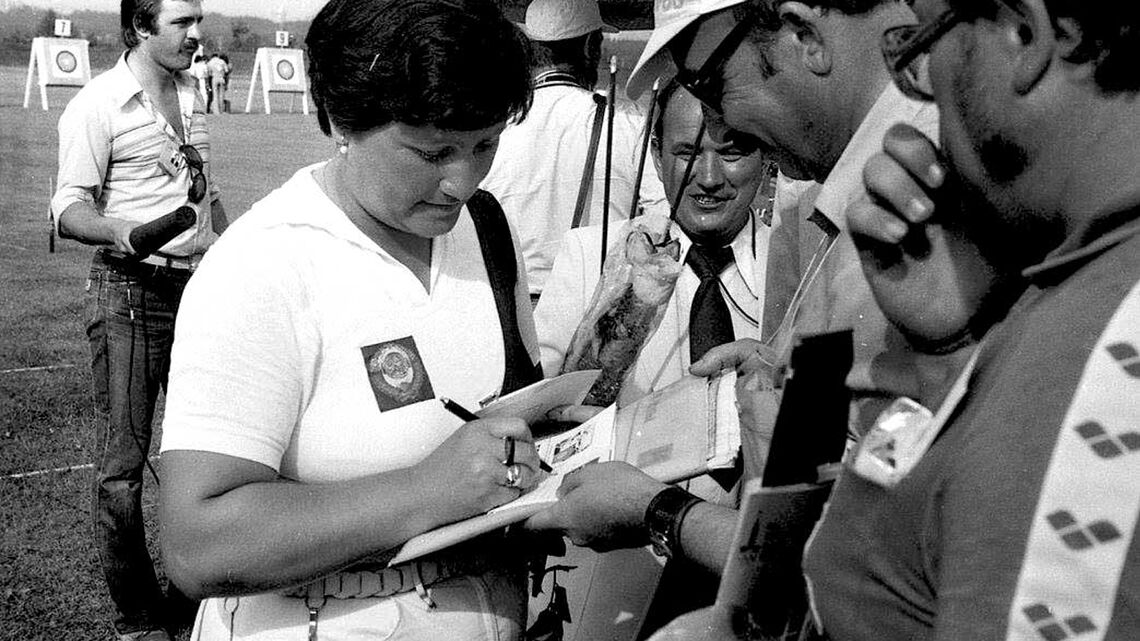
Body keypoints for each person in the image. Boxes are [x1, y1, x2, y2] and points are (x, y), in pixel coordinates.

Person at [527, 0, 1015, 629]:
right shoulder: (856, 202)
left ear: (804, 35)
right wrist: (789, 375)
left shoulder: (920, 197)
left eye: (712, 82)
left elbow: (866, 539)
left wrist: (657, 512)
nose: (723, 128)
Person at [157, 0, 546, 639]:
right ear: (342, 120)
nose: (463, 182)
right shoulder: (264, 263)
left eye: (485, 145)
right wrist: (424, 491)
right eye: (433, 152)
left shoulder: (485, 228)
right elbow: (198, 545)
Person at [802, 0, 1140, 638]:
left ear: (1024, 31)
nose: (927, 93)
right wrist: (949, 355)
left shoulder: (1089, 382)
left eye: (925, 43)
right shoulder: (1073, 303)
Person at [533, 80, 771, 636]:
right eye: (687, 152)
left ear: (766, 154)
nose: (708, 177)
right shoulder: (593, 253)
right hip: (613, 571)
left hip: (743, 572)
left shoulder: (792, 265)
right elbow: (541, 408)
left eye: (732, 152)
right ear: (657, 154)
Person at [49, 0, 227, 638]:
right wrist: (117, 229)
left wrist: (233, 251)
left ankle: (193, 600)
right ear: (139, 28)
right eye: (181, 23)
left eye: (197, 19)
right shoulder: (96, 105)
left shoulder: (195, 93)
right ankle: (139, 618)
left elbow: (205, 193)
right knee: (122, 472)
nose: (197, 34)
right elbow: (68, 207)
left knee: (208, 455)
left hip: (198, 293)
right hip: (129, 293)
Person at [480, 0, 666, 302]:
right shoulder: (627, 120)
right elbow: (661, 214)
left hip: (514, 304)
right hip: (597, 302)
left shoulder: (496, 124)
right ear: (591, 46)